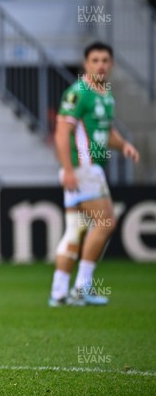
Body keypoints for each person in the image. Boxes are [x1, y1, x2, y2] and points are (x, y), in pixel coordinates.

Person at [49, 42, 140, 307]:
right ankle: (82, 287)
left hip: (88, 169)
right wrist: (68, 168)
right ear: (86, 64)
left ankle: (58, 292)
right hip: (82, 168)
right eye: (95, 60)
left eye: (105, 60)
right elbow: (61, 132)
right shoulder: (78, 93)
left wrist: (124, 146)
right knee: (106, 222)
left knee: (76, 230)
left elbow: (106, 132)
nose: (100, 65)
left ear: (110, 64)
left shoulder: (105, 95)